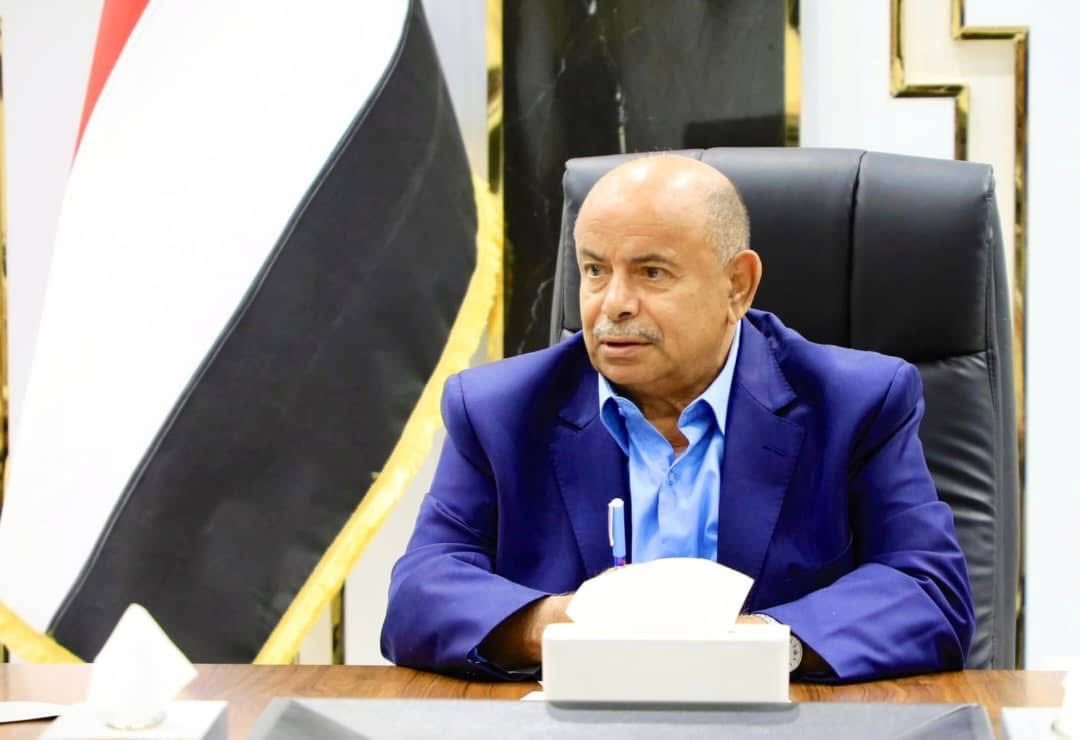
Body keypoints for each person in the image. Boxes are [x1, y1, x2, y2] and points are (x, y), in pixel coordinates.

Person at [381, 154, 974, 682]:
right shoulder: (499, 410)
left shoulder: (856, 403)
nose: (614, 303)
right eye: (594, 270)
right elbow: (421, 594)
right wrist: (566, 626)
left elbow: (927, 593)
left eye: (651, 272)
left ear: (737, 286)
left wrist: (751, 648)